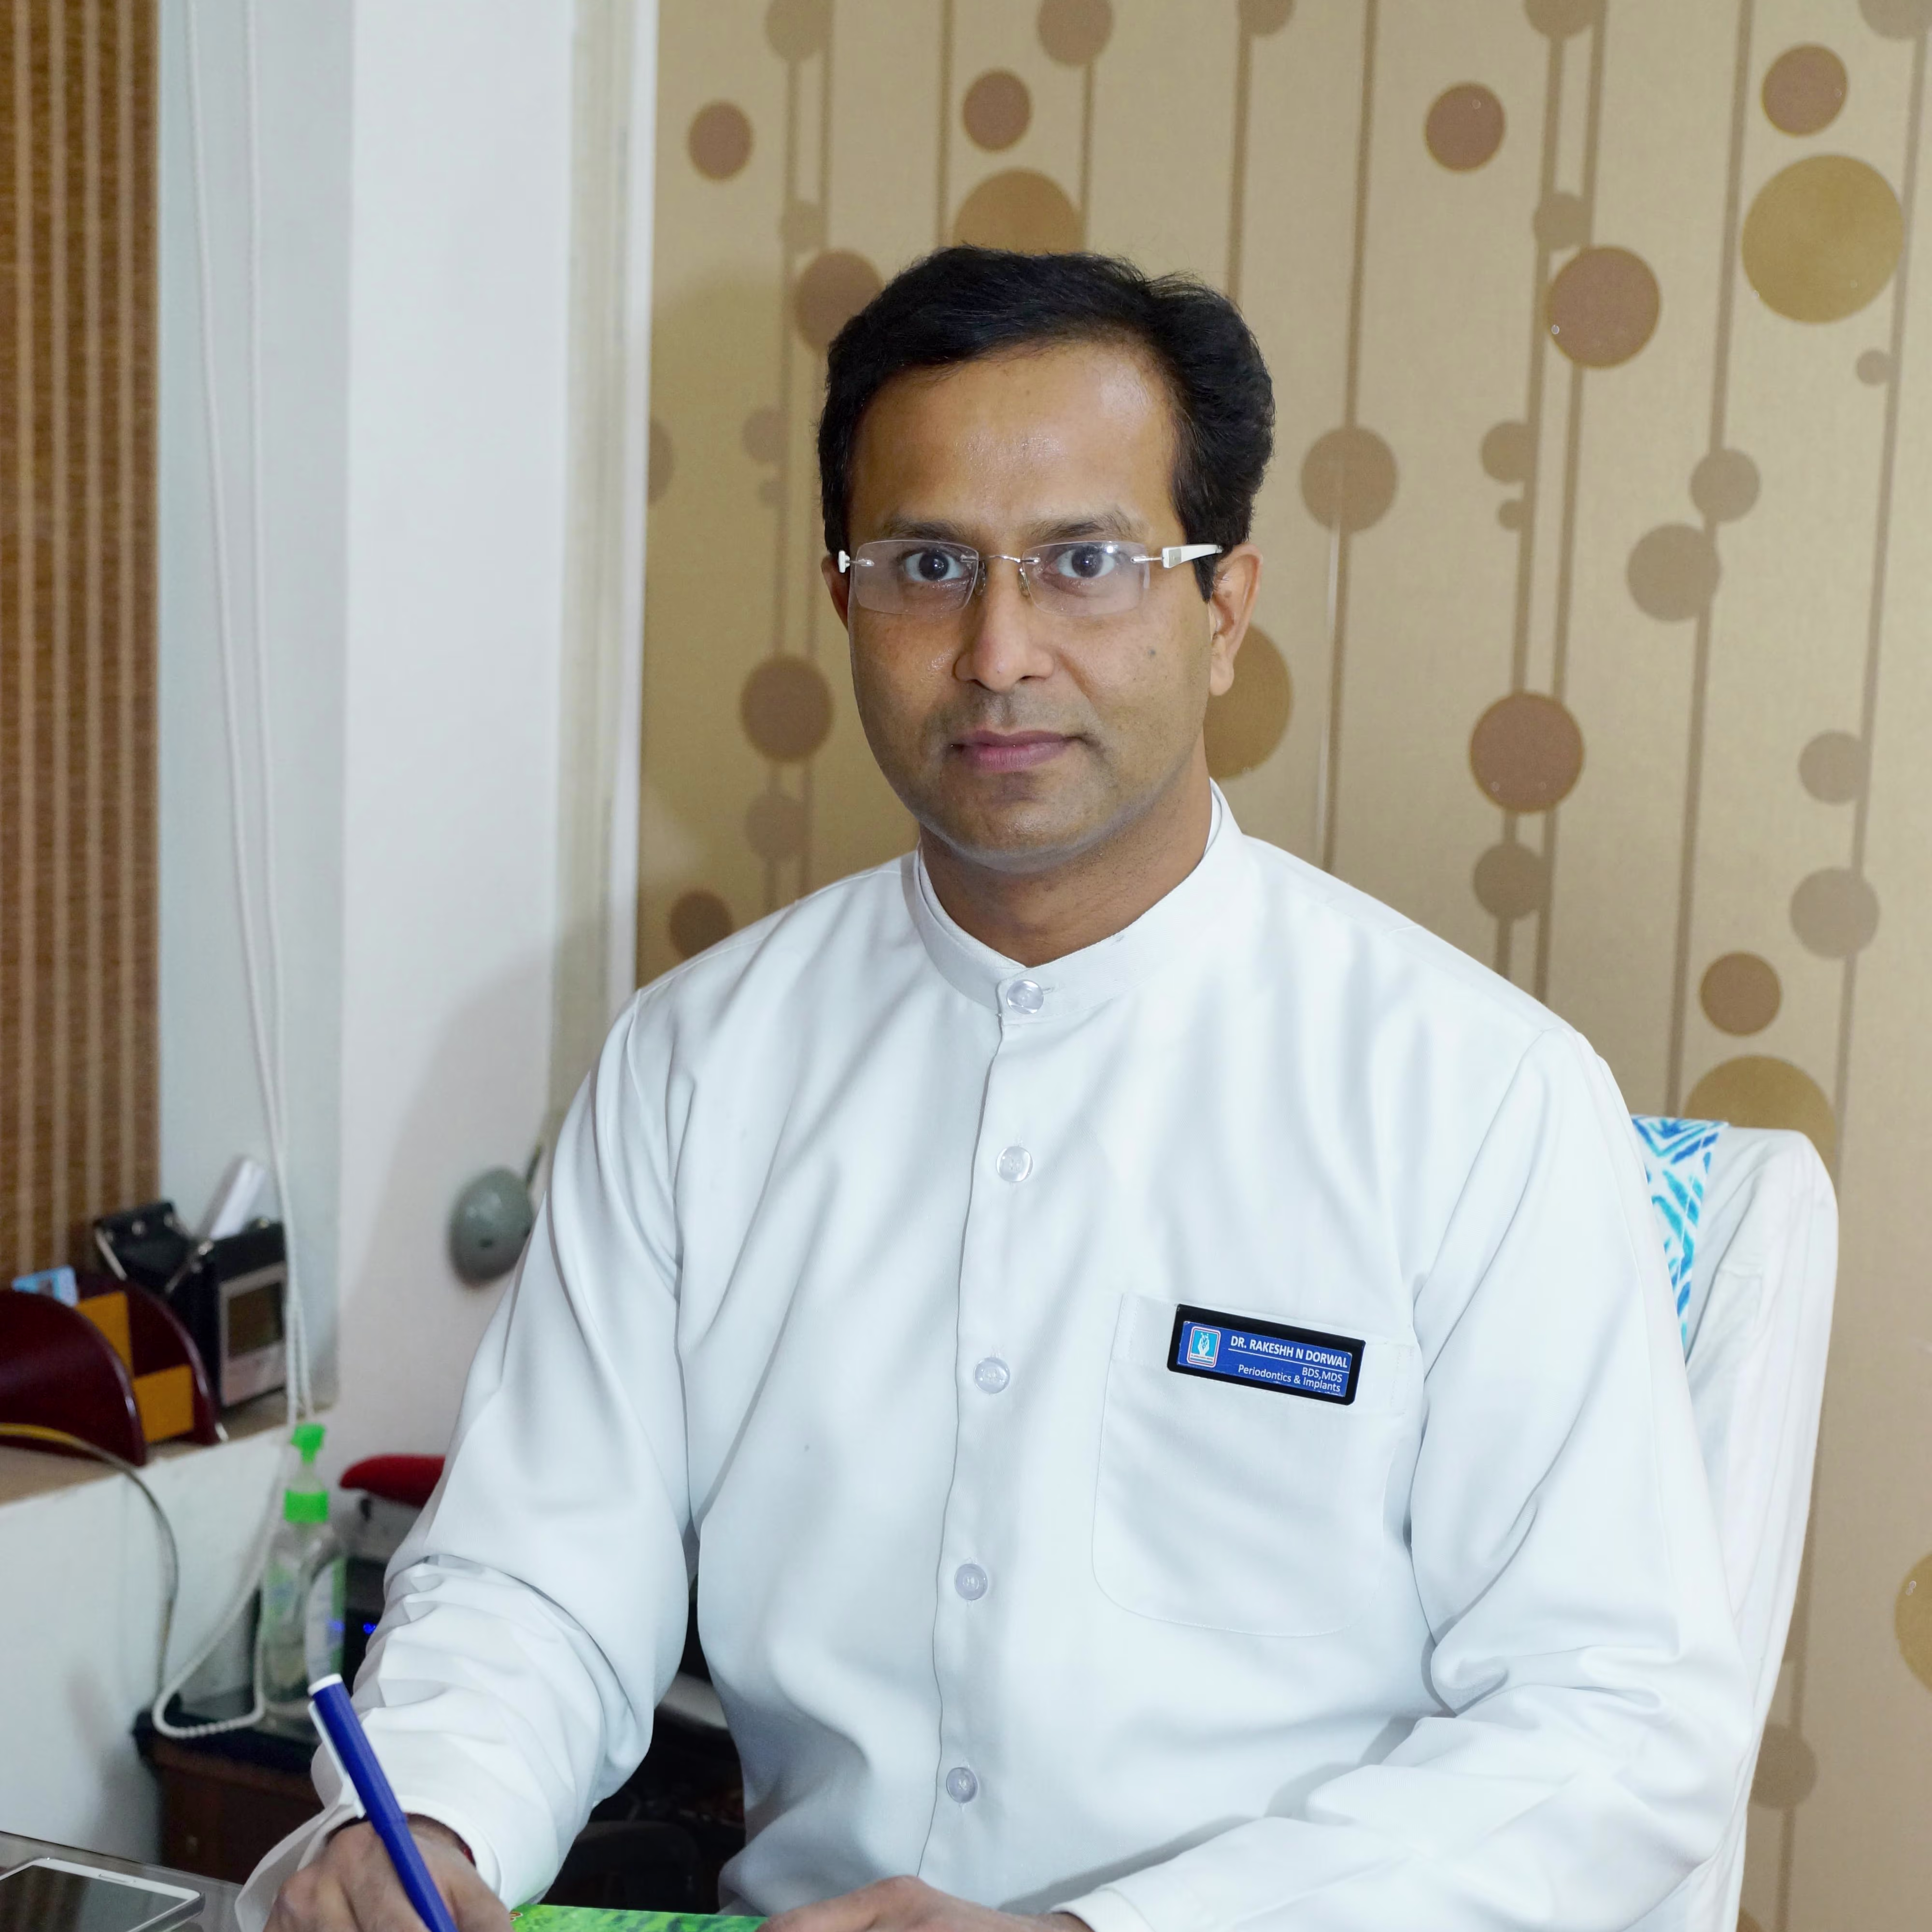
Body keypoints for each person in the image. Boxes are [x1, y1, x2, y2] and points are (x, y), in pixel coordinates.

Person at [250, 248, 1748, 1932]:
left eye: (1086, 564)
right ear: (844, 604)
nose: (997, 651)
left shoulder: (1474, 1098)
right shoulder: (696, 1066)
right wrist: (429, 1818)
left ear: (1224, 612)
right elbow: (539, 1570)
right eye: (927, 565)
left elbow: (1618, 1719)